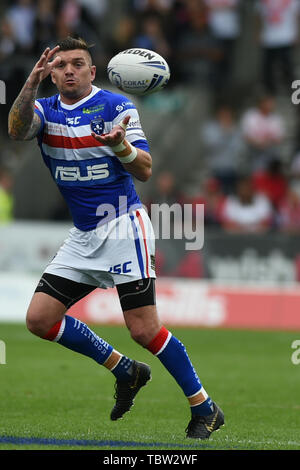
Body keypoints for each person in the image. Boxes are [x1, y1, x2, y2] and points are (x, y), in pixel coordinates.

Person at [8, 36, 224, 439]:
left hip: (124, 225)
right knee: (39, 319)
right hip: (84, 234)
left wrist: (121, 146)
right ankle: (124, 369)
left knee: (143, 329)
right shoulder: (43, 108)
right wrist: (29, 84)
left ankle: (205, 407)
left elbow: (144, 169)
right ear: (51, 73)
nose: (68, 70)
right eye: (60, 65)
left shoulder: (116, 107)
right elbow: (17, 130)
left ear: (93, 72)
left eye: (78, 63)